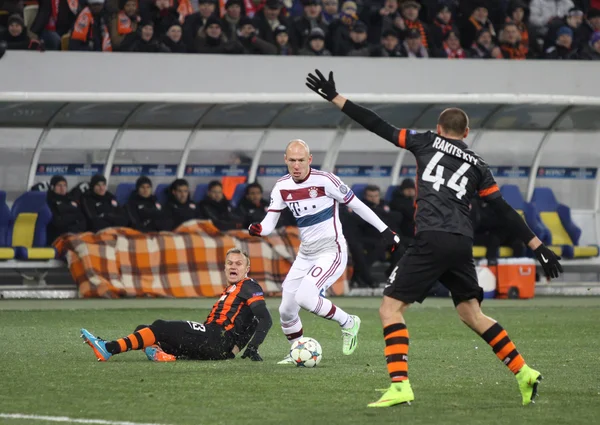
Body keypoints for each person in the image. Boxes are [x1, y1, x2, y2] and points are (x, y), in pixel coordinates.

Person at [305, 69, 563, 407]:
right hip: (460, 242)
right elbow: (502, 210)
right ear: (466, 133)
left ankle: (400, 385)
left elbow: (378, 125)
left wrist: (336, 98)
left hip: (431, 238)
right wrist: (538, 246)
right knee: (472, 314)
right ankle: (523, 371)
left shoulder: (423, 140)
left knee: (389, 309)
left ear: (440, 129)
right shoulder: (478, 164)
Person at [248, 139, 400, 363]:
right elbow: (270, 221)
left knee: (305, 297)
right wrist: (260, 229)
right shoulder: (282, 186)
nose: (297, 165)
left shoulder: (326, 180)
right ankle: (297, 351)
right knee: (286, 311)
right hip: (306, 253)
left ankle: (349, 322)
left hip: (331, 250)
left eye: (301, 160)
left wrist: (385, 230)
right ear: (285, 160)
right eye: (292, 160)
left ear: (309, 160)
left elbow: (357, 204)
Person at [80, 248, 272, 362]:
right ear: (224, 267)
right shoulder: (233, 289)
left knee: (160, 326)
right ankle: (161, 355)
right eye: (229, 263)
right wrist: (231, 353)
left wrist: (253, 347)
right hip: (214, 343)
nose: (233, 266)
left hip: (216, 338)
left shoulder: (248, 285)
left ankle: (109, 348)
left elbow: (264, 318)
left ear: (247, 269)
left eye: (238, 264)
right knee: (145, 330)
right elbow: (250, 322)